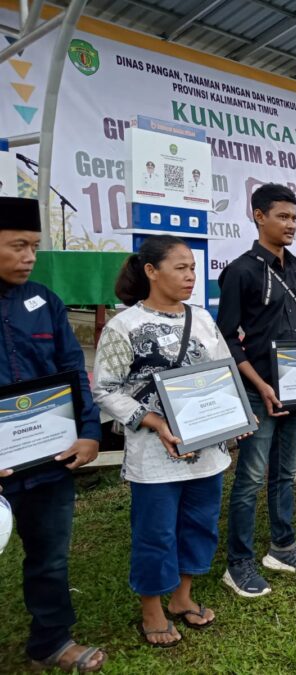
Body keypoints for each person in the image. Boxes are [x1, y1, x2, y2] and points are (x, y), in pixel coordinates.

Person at [93, 235, 240, 646]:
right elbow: (104, 389)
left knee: (200, 523)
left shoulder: (204, 319)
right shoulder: (125, 326)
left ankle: (182, 597)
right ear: (151, 271)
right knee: (155, 531)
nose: (191, 276)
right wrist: (153, 420)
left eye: (193, 268)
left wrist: (235, 417)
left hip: (207, 449)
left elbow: (223, 373)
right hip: (155, 454)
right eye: (181, 267)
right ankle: (152, 610)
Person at [0, 198, 106, 672]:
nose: (29, 257)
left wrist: (89, 435)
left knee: (49, 558)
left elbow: (72, 373)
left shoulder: (43, 301)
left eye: (35, 247)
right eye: (18, 245)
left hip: (50, 461)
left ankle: (51, 640)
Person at [217, 183, 296, 597]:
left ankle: (283, 546)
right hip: (257, 390)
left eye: (294, 217)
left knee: (285, 472)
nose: (291, 224)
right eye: (283, 216)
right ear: (258, 216)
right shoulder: (241, 270)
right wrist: (259, 384)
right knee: (250, 478)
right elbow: (227, 337)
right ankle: (238, 562)